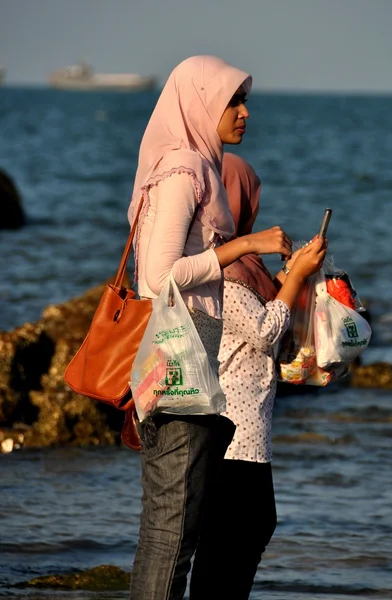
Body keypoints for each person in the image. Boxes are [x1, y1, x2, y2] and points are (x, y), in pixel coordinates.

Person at [127, 56, 294, 600]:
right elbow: (158, 276)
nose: (244, 114)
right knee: (171, 529)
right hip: (180, 356)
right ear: (200, 104)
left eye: (245, 101)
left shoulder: (198, 165)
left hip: (192, 353)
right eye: (232, 102)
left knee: (179, 526)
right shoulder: (183, 170)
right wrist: (242, 246)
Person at [190, 153, 327, 600]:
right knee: (231, 542)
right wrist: (297, 277)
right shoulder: (221, 269)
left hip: (249, 435)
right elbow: (267, 330)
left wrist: (292, 275)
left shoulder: (248, 268)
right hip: (228, 434)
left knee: (241, 537)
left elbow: (276, 335)